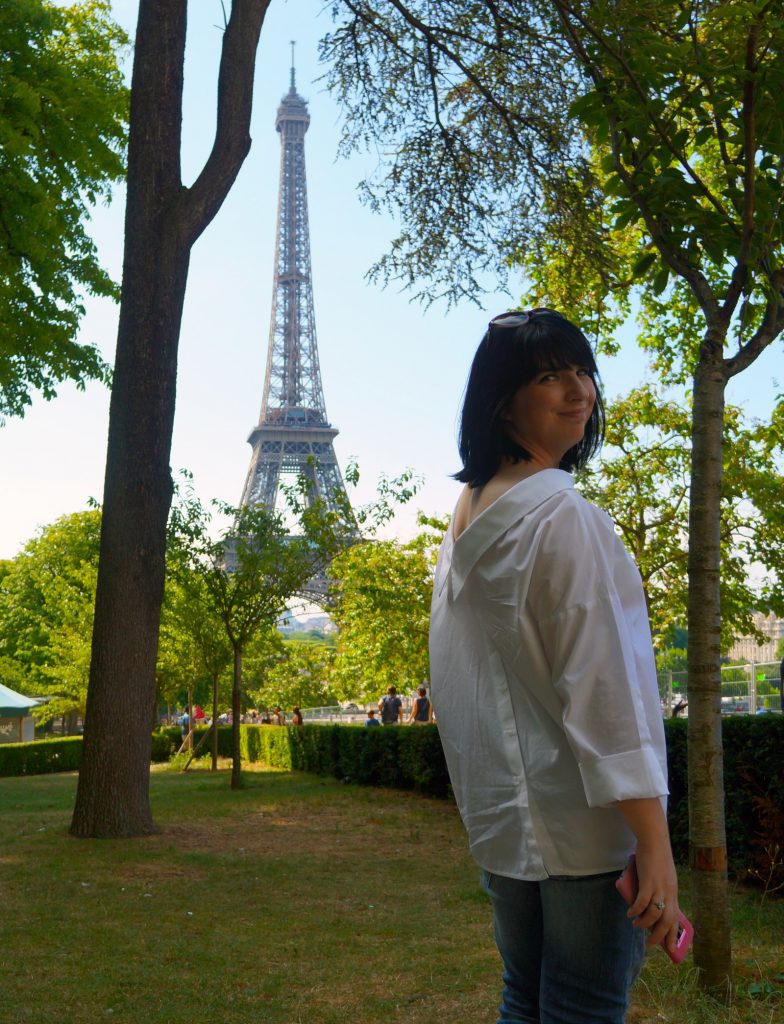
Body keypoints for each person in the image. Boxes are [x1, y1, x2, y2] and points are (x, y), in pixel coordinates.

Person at [429, 309, 682, 1024]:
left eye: (581, 371)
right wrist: (655, 844)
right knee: (584, 1008)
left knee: (527, 998)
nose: (578, 391)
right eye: (548, 376)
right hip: (585, 832)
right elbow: (607, 695)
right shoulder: (564, 520)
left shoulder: (468, 518)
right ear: (503, 402)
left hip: (508, 824)